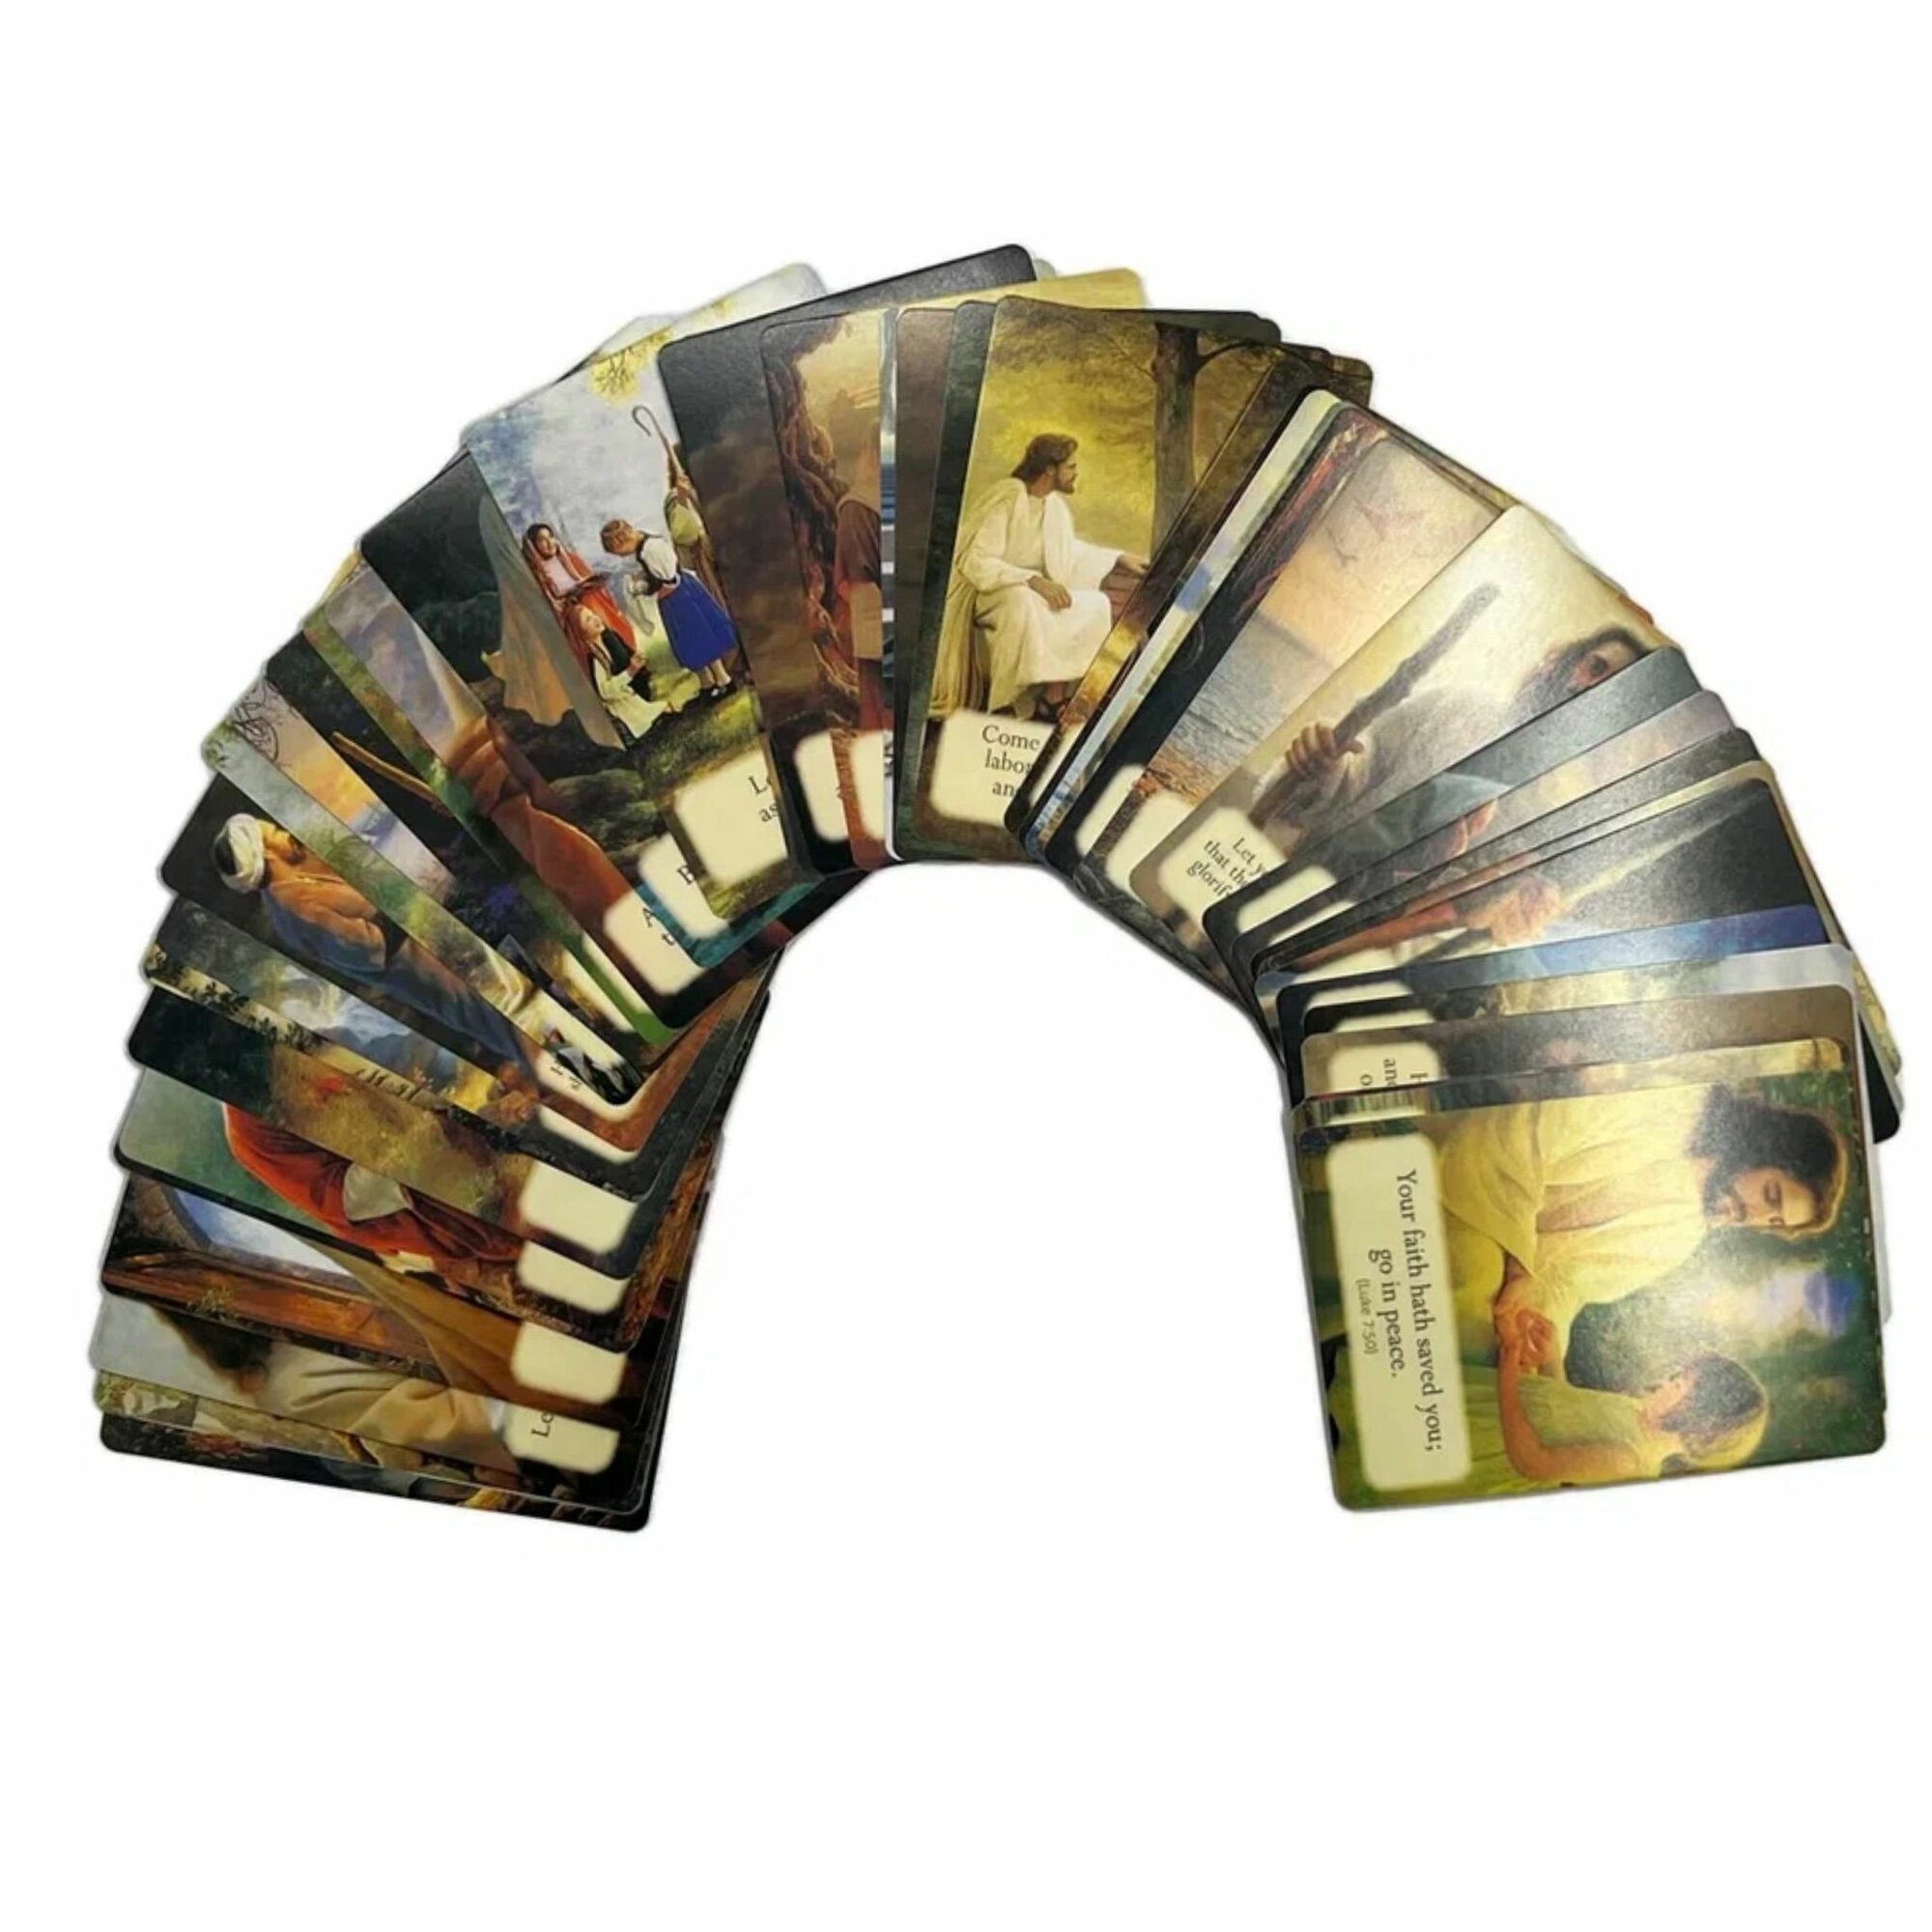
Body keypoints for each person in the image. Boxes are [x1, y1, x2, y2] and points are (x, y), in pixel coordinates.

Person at [1435, 1080, 1849, 1366]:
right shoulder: (1672, 1101)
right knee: (1471, 1289)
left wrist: (1540, 1341)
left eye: (1772, 1221)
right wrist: (1519, 1270)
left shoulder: (1683, 1237)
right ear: (1765, 1144)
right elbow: (1521, 1139)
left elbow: (1571, 1286)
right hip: (1465, 1175)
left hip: (1502, 1259)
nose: (1752, 1216)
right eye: (1770, 1194)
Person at [212, 813, 534, 1086]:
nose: (285, 834)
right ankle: (546, 1062)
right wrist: (404, 907)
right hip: (417, 966)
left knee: (504, 1004)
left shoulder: (293, 886)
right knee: (495, 1015)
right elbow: (365, 948)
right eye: (274, 833)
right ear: (266, 854)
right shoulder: (293, 909)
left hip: (423, 954)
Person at [931, 434, 1149, 720]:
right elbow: (977, 561)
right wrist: (1033, 580)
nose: (1076, 473)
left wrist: (1118, 557)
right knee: (1020, 599)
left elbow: (1068, 551)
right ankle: (1004, 704)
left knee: (1093, 604)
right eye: (1070, 467)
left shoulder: (1053, 506)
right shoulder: (1008, 497)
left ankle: (1052, 699)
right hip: (988, 592)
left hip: (1028, 591)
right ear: (1049, 469)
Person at [220, 1102, 524, 1286]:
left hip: (453, 1153)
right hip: (418, 1211)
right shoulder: (247, 1132)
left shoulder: (289, 1044)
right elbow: (345, 1199)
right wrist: (427, 1135)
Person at [1465, 1308, 1769, 1487]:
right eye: (1676, 1377)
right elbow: (1564, 1414)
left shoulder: (1631, 1461)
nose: (1666, 1383)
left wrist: (1510, 1360)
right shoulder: (1635, 1412)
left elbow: (1534, 1462)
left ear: (1695, 1419)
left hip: (1489, 1444)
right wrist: (1551, 1358)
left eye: (1679, 1385)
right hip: (1493, 1403)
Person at [600, 517, 739, 697]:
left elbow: (668, 578)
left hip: (680, 597)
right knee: (689, 642)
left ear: (621, 541)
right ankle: (707, 683)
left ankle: (723, 680)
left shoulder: (650, 550)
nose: (621, 556)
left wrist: (641, 588)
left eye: (618, 552)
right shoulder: (645, 542)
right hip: (675, 597)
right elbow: (659, 572)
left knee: (700, 637)